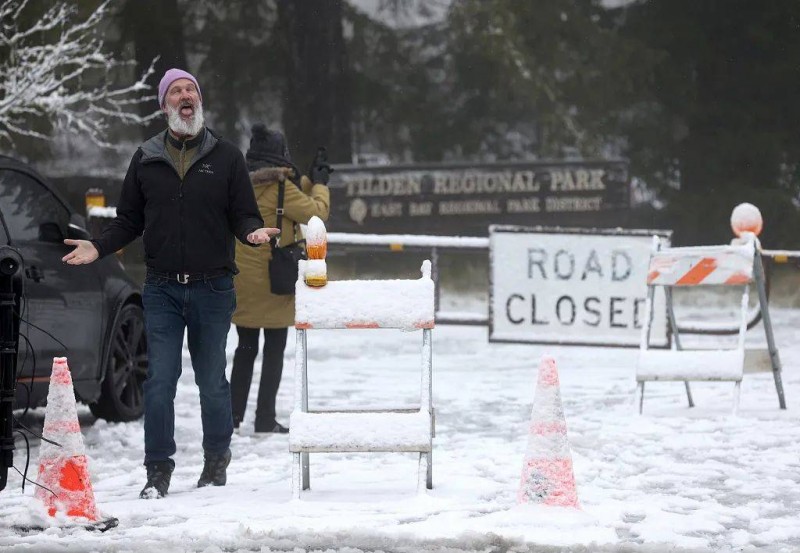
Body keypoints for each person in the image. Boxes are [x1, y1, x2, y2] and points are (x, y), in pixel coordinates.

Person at [61, 68, 280, 499]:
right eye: (176, 91)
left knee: (212, 379)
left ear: (199, 101)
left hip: (214, 288)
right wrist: (98, 248)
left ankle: (216, 460)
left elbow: (243, 214)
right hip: (162, 289)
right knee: (159, 381)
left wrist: (252, 232)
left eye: (191, 89)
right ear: (165, 107)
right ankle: (157, 470)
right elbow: (128, 221)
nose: (185, 95)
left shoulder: (227, 157)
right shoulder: (145, 158)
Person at [230, 124, 330, 433]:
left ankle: (231, 417)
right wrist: (321, 184)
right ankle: (264, 418)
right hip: (275, 282)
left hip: (242, 280)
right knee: (274, 350)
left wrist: (305, 179)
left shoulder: (236, 183)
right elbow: (316, 213)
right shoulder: (284, 189)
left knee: (245, 349)